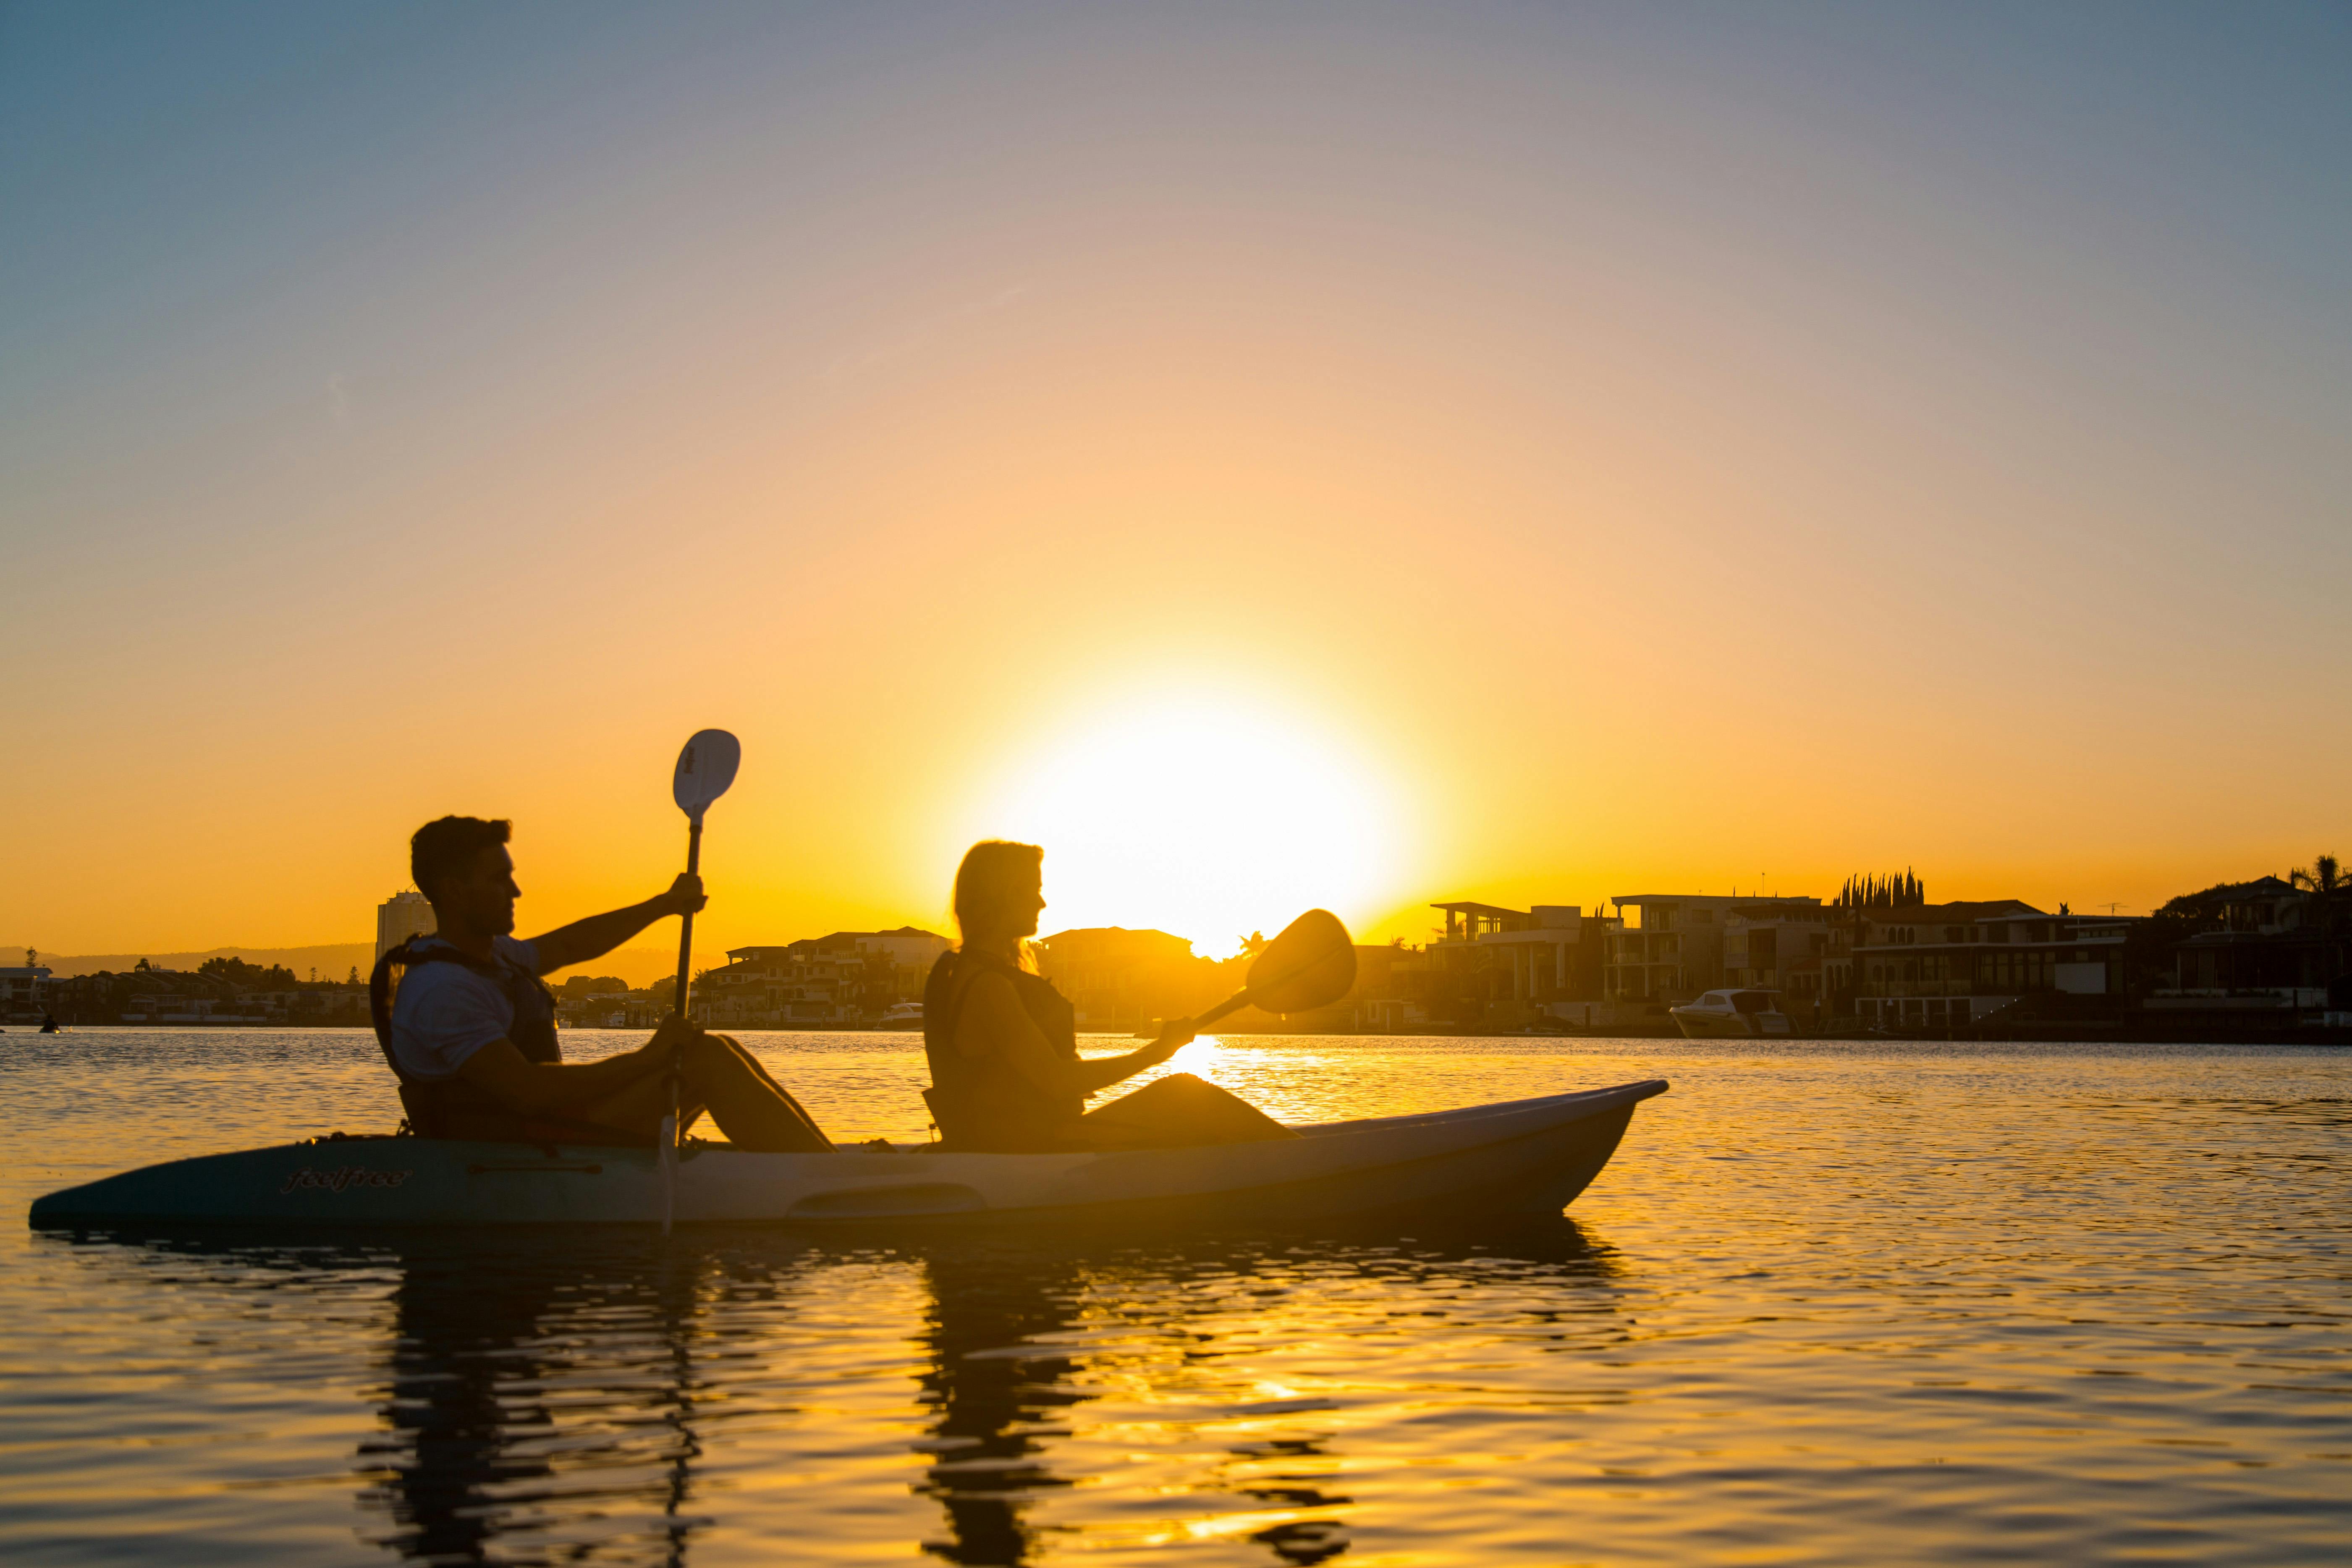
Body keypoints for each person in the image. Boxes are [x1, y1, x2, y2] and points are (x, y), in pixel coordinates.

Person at [373, 815, 834, 1152]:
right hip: (522, 1142)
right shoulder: (443, 989)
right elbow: (527, 1092)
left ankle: (820, 1160)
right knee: (706, 1060)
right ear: (454, 891)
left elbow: (572, 944)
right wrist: (646, 1058)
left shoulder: (496, 957)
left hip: (551, 1124)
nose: (516, 891)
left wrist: (665, 904)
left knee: (714, 1047)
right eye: (499, 880)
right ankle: (824, 1172)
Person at [920, 840, 1296, 1152]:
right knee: (1187, 1095)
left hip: (1032, 1141)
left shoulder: (966, 971)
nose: (1042, 903)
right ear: (1003, 896)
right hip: (1029, 1149)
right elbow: (1057, 1080)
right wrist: (1156, 1053)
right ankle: (1298, 1162)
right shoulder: (988, 986)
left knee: (1190, 1110)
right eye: (1033, 890)